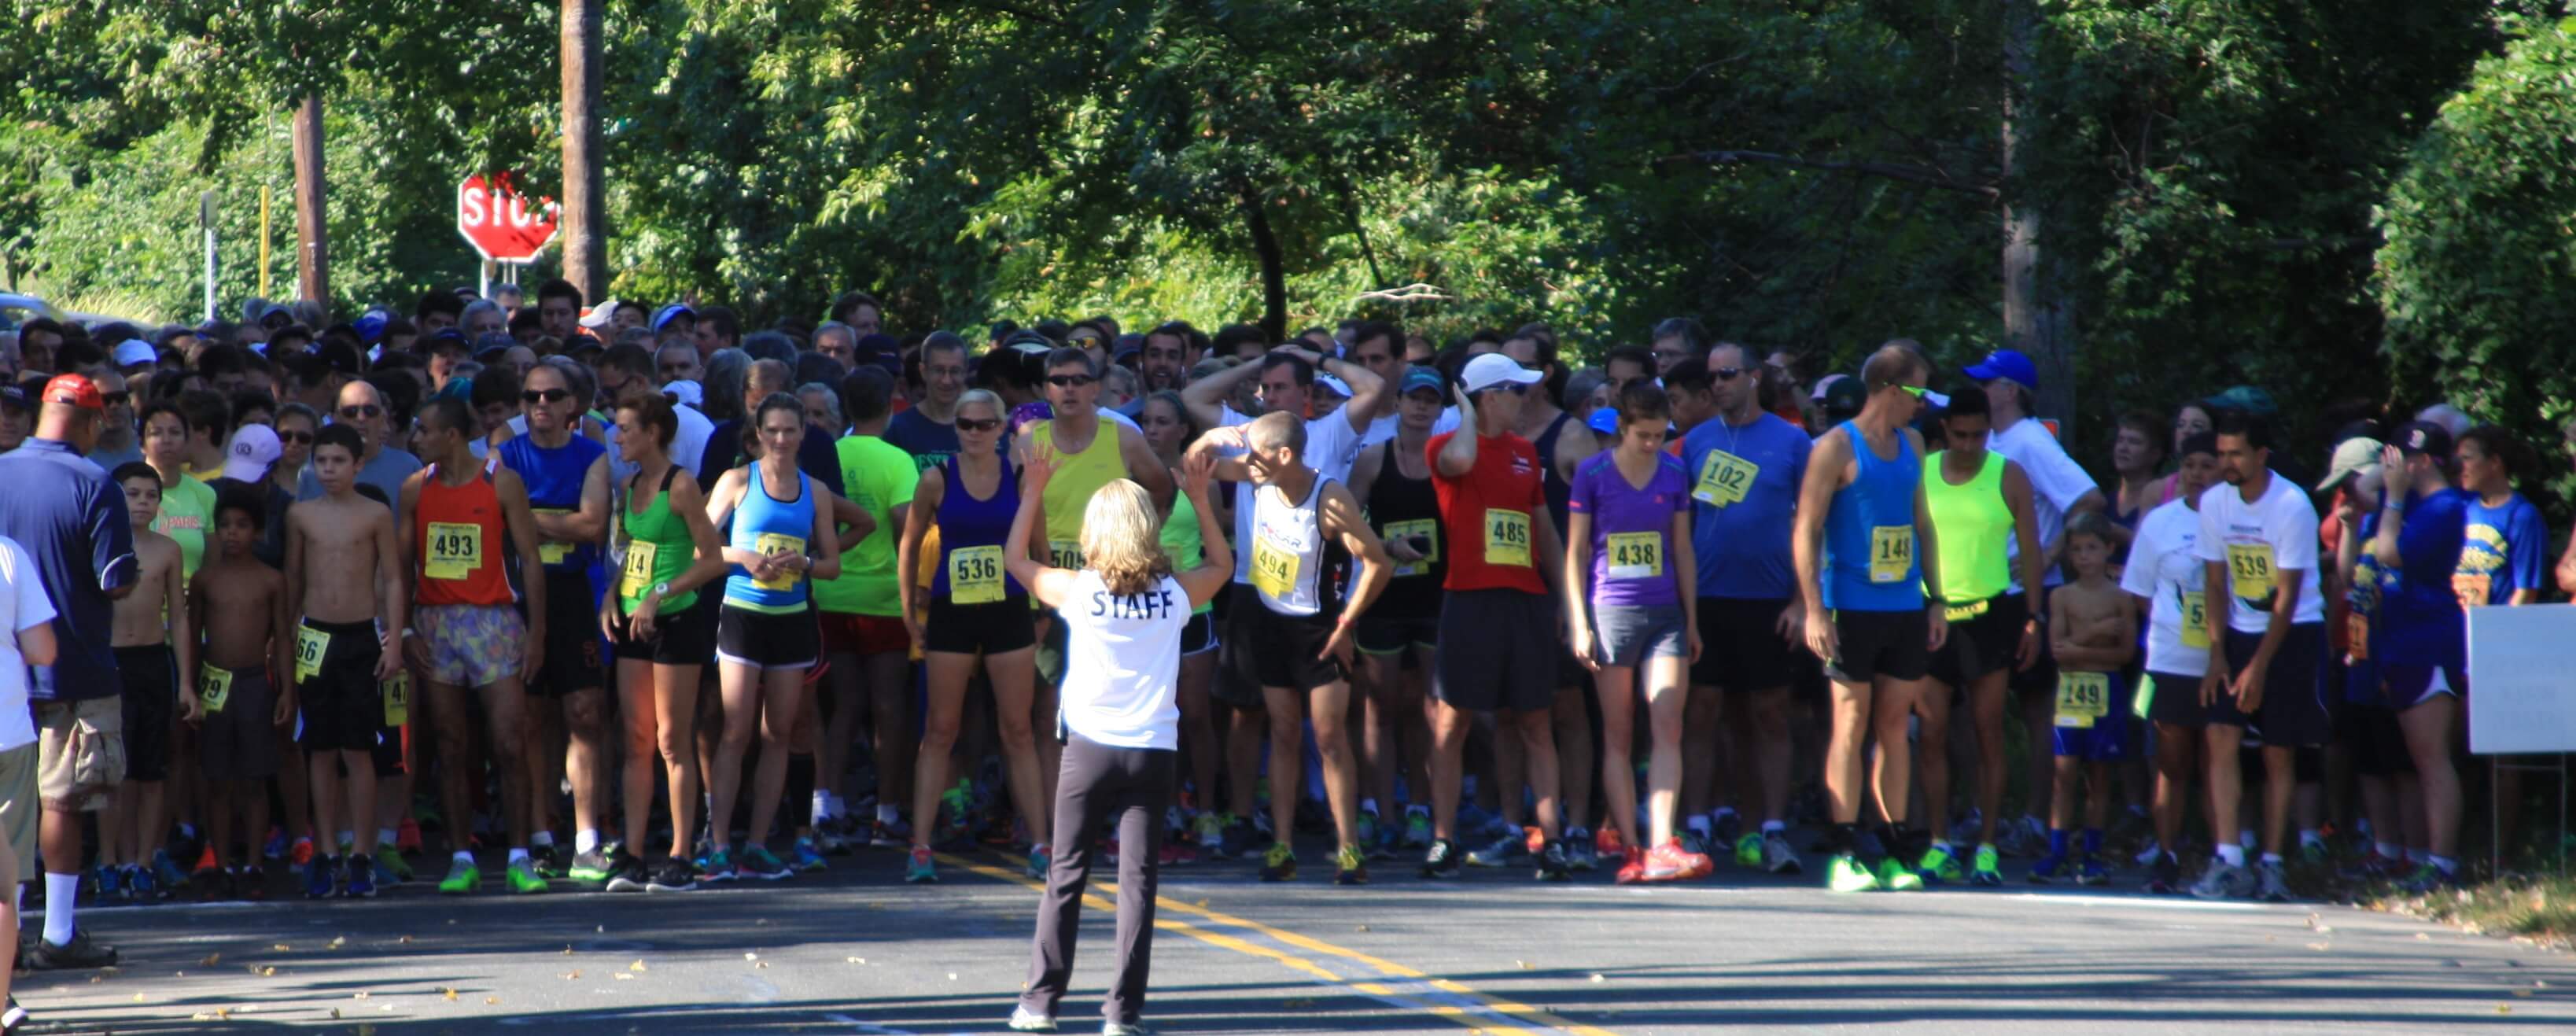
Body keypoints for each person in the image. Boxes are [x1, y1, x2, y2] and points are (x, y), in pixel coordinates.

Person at [1004, 450, 1230, 1036]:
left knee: (1067, 873)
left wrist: (1032, 490)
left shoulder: (1079, 592)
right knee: (1138, 883)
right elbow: (1223, 565)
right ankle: (1121, 1014)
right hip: (1152, 749)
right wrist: (1201, 501)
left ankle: (1038, 1003)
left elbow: (1015, 560)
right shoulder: (1175, 595)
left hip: (1089, 750)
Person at [1188, 411, 1391, 886]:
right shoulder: (1260, 477)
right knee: (1281, 732)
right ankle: (1282, 847)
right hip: (1268, 622)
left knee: (1328, 739)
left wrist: (1346, 624)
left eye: (1254, 453)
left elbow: (1377, 562)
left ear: (1284, 454)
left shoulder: (1329, 497)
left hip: (1321, 629)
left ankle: (1348, 850)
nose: (1246, 462)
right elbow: (1194, 466)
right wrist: (1210, 438)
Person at [1793, 343, 1944, 894]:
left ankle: (1894, 845)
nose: (1923, 402)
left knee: (1894, 729)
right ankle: (1843, 847)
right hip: (1849, 606)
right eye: (1917, 391)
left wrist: (1937, 598)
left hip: (1904, 605)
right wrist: (1813, 608)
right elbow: (1806, 530)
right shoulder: (1834, 446)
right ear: (1889, 388)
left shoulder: (1913, 442)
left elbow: (1921, 523)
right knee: (1850, 724)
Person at [1419, 353, 1574, 881]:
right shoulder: (1445, 445)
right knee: (1452, 721)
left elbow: (1544, 532)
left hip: (1524, 601)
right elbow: (1460, 463)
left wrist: (1566, 602)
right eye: (1514, 389)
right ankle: (1442, 839)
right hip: (1469, 600)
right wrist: (1463, 410)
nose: (1524, 397)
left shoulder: (1526, 453)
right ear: (1487, 396)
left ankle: (1550, 839)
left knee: (1534, 720)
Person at [0, 374, 135, 971]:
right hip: (72, 664)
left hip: (6, 668)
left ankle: (10, 939)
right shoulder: (96, 481)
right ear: (93, 421)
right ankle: (56, 932)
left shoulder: (1, 470)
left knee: (8, 810)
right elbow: (117, 576)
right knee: (61, 802)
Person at [895, 388, 1048, 883]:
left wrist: (1044, 607)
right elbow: (910, 543)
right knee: (941, 729)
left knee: (1018, 729)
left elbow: (1040, 549)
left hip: (1007, 611)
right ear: (955, 427)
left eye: (986, 424)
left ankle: (1042, 843)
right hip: (952, 613)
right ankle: (920, 847)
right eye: (966, 424)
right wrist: (908, 611)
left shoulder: (1021, 477)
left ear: (1003, 428)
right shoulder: (935, 479)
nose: (976, 432)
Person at [397, 396, 549, 896]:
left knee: (509, 740)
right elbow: (399, 568)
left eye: (425, 430)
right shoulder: (416, 489)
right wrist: (403, 632)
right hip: (436, 622)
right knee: (449, 742)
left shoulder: (500, 481)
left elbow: (530, 556)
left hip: (493, 621)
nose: (416, 438)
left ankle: (521, 855)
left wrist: (537, 632)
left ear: (453, 436)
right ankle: (461, 855)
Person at [1562, 384, 1711, 884]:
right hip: (1611, 613)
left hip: (1665, 613)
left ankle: (1662, 842)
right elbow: (1576, 553)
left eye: (1659, 435)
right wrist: (1580, 622)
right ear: (1622, 427)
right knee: (1619, 734)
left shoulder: (1674, 470)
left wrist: (1691, 619)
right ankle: (1630, 846)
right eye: (1643, 435)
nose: (1652, 444)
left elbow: (1683, 550)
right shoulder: (1593, 473)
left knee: (1668, 723)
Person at [1961, 348, 2105, 855]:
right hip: (1983, 592)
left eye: (1987, 381)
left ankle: (2035, 819)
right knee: (1980, 709)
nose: (1979, 388)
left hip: (2027, 596)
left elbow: (2089, 500)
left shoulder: (2028, 441)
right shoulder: (1988, 440)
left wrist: (2048, 551)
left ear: (2010, 390)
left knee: (2036, 706)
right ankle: (1986, 814)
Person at [700, 393, 849, 882]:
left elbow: (831, 564)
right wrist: (743, 558)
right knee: (736, 730)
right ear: (758, 435)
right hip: (744, 614)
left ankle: (759, 843)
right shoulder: (738, 481)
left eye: (790, 430)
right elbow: (699, 544)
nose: (782, 439)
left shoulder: (816, 491)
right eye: (773, 431)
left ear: (803, 434)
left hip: (792, 617)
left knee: (779, 732)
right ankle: (719, 843)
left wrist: (804, 563)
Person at [1674, 342, 1811, 871]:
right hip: (1706, 596)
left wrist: (1803, 600)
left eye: (1727, 374)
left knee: (1769, 714)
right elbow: (1675, 521)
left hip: (1769, 598)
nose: (1717, 384)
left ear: (1754, 377)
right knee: (1704, 712)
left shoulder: (1792, 440)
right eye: (1711, 377)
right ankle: (1700, 826)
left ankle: (1771, 829)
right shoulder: (1693, 442)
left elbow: (1809, 522)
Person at [2192, 412, 2331, 903]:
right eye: (2221, 454)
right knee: (2220, 737)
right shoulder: (2214, 502)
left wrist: (2259, 666)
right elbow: (2213, 581)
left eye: (2235, 454)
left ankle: (2273, 862)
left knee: (2278, 750)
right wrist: (2217, 654)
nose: (2225, 463)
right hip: (2236, 631)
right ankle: (2229, 857)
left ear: (2260, 456)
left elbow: (2288, 598)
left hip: (2292, 634)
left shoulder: (2292, 505)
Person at [1911, 387, 2046, 887]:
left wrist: (2034, 616)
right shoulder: (1922, 471)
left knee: (1989, 731)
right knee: (1932, 734)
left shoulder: (2007, 473)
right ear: (1945, 430)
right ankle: (1939, 841)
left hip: (1992, 614)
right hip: (1932, 616)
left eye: (1979, 435)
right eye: (1960, 434)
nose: (1969, 444)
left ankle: (1988, 845)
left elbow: (2030, 550)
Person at [602, 394, 728, 893]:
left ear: (653, 433)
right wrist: (612, 595)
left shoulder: (682, 486)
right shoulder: (630, 485)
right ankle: (632, 854)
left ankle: (679, 855)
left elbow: (712, 558)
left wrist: (660, 593)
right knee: (634, 741)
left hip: (676, 621)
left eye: (626, 429)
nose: (618, 438)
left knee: (672, 741)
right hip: (634, 622)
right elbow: (629, 553)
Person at [498, 363, 614, 882]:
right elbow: (497, 521)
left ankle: (586, 839)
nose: (541, 404)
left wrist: (525, 514)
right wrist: (553, 518)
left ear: (573, 404)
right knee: (528, 719)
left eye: (552, 395)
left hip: (573, 593)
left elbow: (591, 525)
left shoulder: (592, 454)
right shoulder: (506, 455)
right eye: (531, 396)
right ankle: (541, 832)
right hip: (517, 593)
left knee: (584, 713)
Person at [284, 422, 406, 901]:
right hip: (314, 635)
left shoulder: (375, 514)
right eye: (322, 461)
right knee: (319, 746)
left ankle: (362, 852)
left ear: (358, 465)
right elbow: (293, 578)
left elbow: (394, 579)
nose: (329, 470)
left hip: (360, 636)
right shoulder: (301, 515)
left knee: (359, 748)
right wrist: (286, 632)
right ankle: (326, 850)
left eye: (339, 461)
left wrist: (392, 640)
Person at [814, 368, 920, 852]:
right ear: (890, 405)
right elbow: (906, 526)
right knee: (888, 707)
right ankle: (887, 812)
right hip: (882, 600)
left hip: (830, 595)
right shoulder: (898, 461)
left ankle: (827, 805)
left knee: (842, 707)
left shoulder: (829, 453)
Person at [1344, 371, 1447, 858]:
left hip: (1436, 599)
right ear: (1399, 402)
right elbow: (1343, 525)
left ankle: (1422, 810)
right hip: (1383, 597)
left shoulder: (1450, 460)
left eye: (1432, 400)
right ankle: (1381, 813)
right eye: (1414, 399)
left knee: (1430, 711)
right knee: (1379, 709)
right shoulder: (1372, 459)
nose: (1422, 408)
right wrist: (1386, 545)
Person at [2369, 423, 2474, 890]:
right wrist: (2388, 486)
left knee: (2432, 758)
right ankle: (2425, 857)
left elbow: (2389, 553)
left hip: (2430, 639)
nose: (2396, 469)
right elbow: (2361, 489)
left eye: (2404, 460)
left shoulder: (2445, 507)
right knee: (2416, 757)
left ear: (2425, 461)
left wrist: (2392, 497)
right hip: (2402, 639)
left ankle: (2443, 862)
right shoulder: (2415, 500)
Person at [2121, 433, 2221, 894]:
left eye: (2209, 465)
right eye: (2192, 465)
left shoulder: (2240, 521)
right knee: (2171, 762)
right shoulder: (2160, 523)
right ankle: (2168, 854)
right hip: (2169, 659)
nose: (2199, 474)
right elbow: (2140, 595)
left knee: (2217, 761)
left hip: (2223, 662)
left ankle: (2225, 856)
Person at [98, 464, 195, 902]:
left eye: (149, 495)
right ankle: (108, 862)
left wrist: (186, 683)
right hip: (110, 663)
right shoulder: (97, 547)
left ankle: (142, 860)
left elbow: (178, 616)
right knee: (110, 772)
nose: (141, 502)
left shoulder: (168, 550)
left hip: (154, 662)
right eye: (132, 493)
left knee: (150, 769)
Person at [190, 487, 289, 899]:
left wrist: (286, 692)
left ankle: (253, 863)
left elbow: (283, 637)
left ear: (258, 532)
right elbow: (193, 637)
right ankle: (220, 859)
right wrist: (190, 689)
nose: (232, 534)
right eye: (226, 526)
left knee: (254, 778)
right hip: (214, 682)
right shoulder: (204, 579)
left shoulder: (271, 580)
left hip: (254, 683)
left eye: (242, 526)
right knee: (217, 778)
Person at [2455, 426, 2548, 858]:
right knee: (2457, 749)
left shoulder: (2522, 516)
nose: (2461, 467)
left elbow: (2525, 590)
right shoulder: (2463, 511)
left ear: (2495, 463)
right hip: (2455, 641)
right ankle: (2462, 845)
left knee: (2500, 756)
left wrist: (2499, 649)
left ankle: (2502, 856)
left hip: (2498, 650)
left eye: (2469, 457)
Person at [2031, 514, 2136, 883]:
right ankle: (2057, 849)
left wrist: (2080, 647)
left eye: (2092, 548)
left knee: (2100, 775)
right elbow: (2059, 652)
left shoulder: (2122, 597)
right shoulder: (2061, 595)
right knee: (2064, 772)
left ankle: (2092, 852)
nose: (2084, 556)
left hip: (2107, 689)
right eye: (2076, 550)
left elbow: (2123, 655)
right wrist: (2096, 633)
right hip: (2072, 692)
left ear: (2109, 549)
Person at [0, 525, 56, 1026]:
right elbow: (42, 649)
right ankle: (0, 999)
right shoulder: (8, 553)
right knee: (3, 881)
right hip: (7, 731)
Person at [298, 379, 424, 511]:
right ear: (335, 418)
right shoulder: (313, 470)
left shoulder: (409, 467)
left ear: (382, 418)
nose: (361, 418)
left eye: (370, 411)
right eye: (350, 412)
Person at [887, 332, 970, 470]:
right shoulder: (898, 429)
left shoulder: (980, 427)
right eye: (939, 370)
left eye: (955, 371)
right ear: (923, 371)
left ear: (965, 372)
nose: (946, 380)